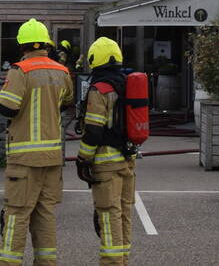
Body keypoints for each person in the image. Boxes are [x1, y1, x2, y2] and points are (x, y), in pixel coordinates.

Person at [0, 19, 75, 265]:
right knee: (45, 216)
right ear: (46, 45)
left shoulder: (20, 70)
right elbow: (67, 102)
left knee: (17, 216)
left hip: (24, 159)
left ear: (23, 46)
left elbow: (7, 108)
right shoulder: (62, 72)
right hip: (52, 158)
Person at [76, 37, 136, 266]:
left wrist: (83, 159)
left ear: (94, 60)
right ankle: (123, 260)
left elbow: (93, 131)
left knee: (109, 215)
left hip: (106, 164)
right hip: (128, 160)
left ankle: (112, 262)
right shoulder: (127, 84)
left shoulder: (99, 89)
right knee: (124, 214)